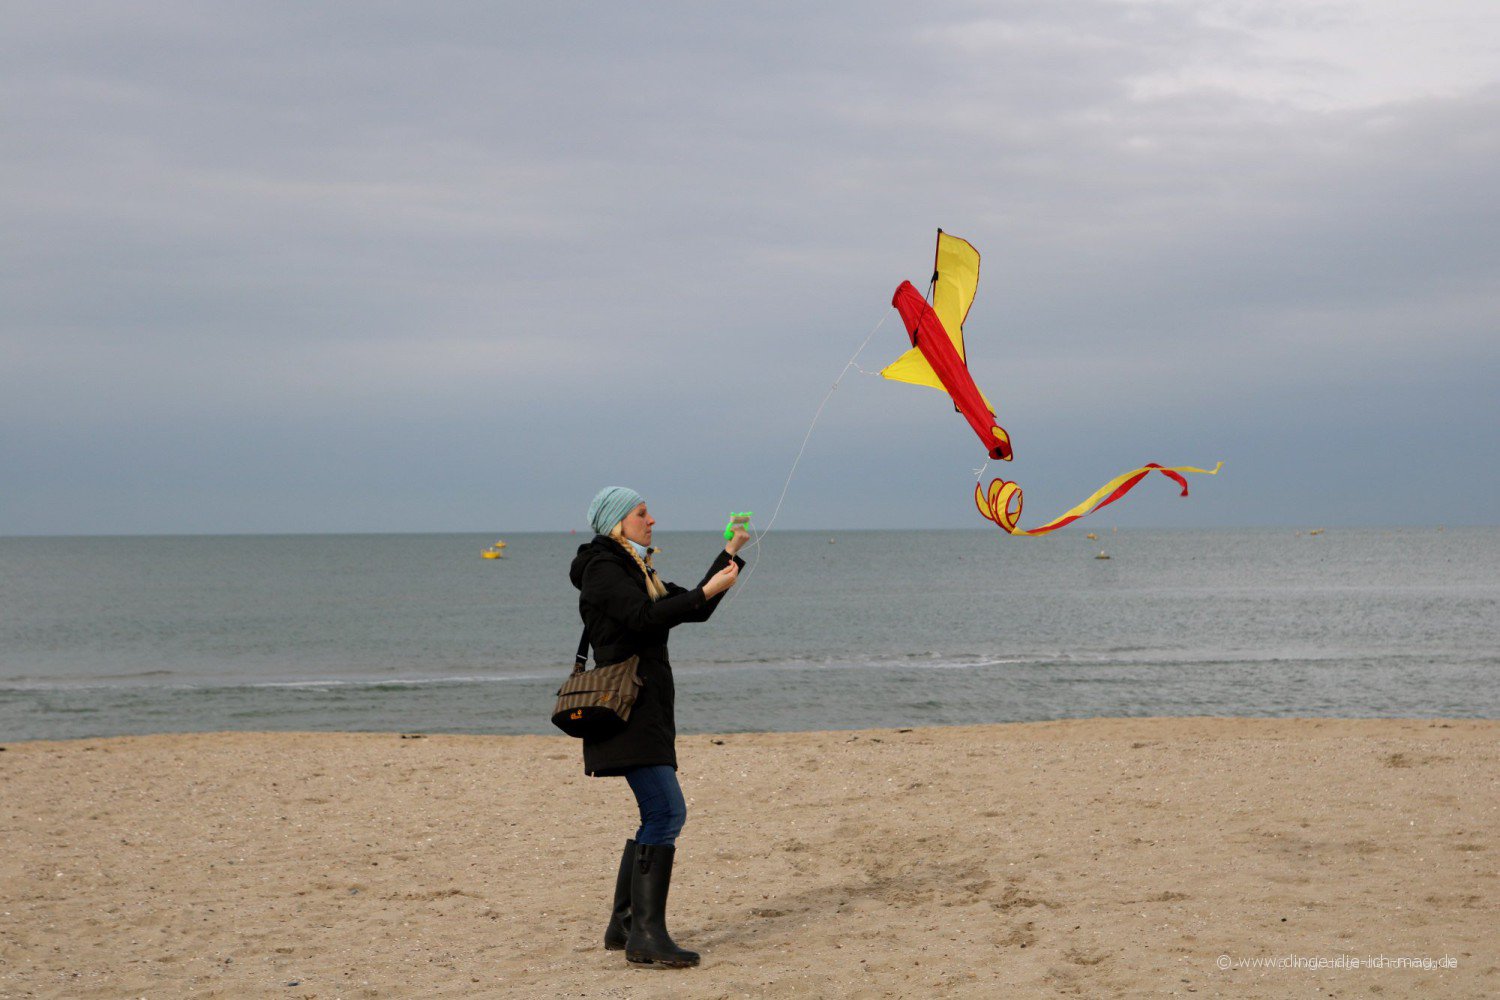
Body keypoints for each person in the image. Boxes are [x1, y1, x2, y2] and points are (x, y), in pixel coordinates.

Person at [568, 486, 746, 969]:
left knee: (658, 813)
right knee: (667, 812)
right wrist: (706, 590)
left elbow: (693, 607)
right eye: (641, 513)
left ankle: (625, 925)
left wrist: (729, 555)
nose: (651, 520)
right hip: (623, 710)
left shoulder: (634, 567)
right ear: (616, 522)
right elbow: (645, 617)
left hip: (646, 710)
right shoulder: (604, 570)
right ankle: (644, 933)